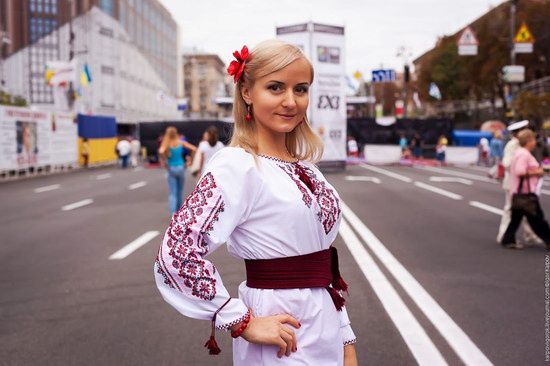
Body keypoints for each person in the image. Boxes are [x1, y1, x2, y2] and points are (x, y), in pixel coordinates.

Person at [154, 40, 358, 366]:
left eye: (301, 89)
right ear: (247, 92)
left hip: (326, 327)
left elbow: (322, 266)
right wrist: (239, 319)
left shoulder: (308, 169)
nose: (291, 101)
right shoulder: (237, 165)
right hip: (282, 332)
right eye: (275, 87)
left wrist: (346, 339)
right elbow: (177, 250)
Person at [500, 129, 550, 249]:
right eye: (532, 139)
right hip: (525, 191)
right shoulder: (524, 154)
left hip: (520, 191)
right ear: (528, 141)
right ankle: (548, 239)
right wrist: (538, 171)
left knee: (517, 218)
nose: (534, 142)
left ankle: (508, 239)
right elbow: (520, 171)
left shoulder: (520, 152)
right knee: (537, 218)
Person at [158, 126, 197, 215]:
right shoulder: (180, 142)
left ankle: (173, 212)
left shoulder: (166, 144)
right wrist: (190, 161)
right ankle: (179, 211)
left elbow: (161, 151)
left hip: (171, 168)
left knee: (173, 192)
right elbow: (194, 149)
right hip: (181, 167)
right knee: (180, 191)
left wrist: (164, 162)